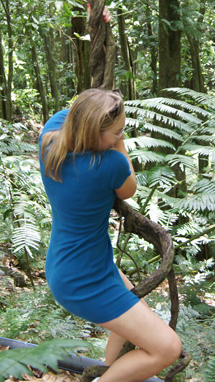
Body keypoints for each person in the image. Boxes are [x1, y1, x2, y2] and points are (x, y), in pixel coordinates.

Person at [39, 88, 182, 382]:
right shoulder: (110, 165)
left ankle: (111, 371)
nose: (120, 136)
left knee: (132, 312)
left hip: (73, 265)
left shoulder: (50, 140)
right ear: (92, 133)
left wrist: (103, 110)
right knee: (168, 348)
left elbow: (73, 114)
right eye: (117, 132)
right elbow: (129, 189)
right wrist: (119, 142)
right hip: (84, 280)